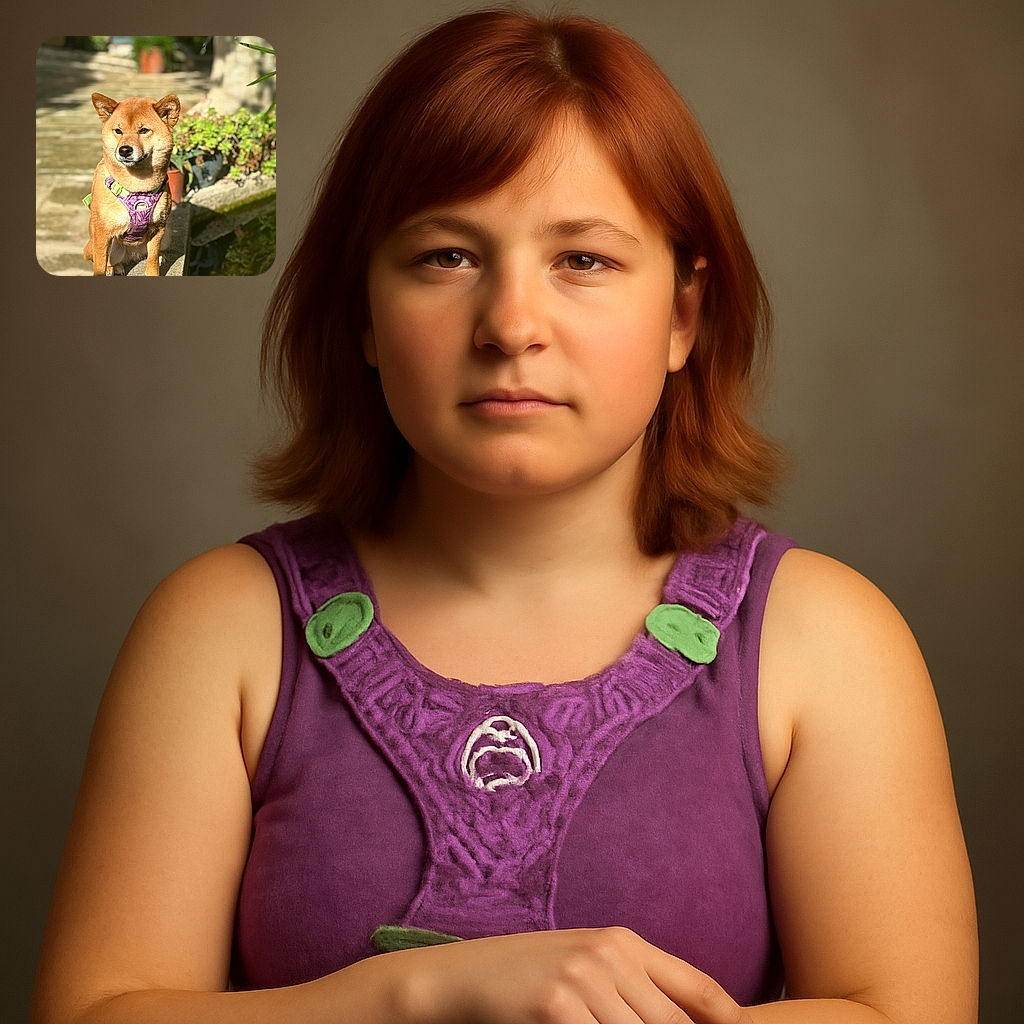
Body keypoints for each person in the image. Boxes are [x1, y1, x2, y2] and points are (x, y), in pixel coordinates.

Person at [32, 9, 977, 1024]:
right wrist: (416, 993)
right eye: (445, 256)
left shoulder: (827, 638)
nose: (512, 326)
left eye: (583, 261)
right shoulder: (218, 626)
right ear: (360, 311)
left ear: (682, 316)